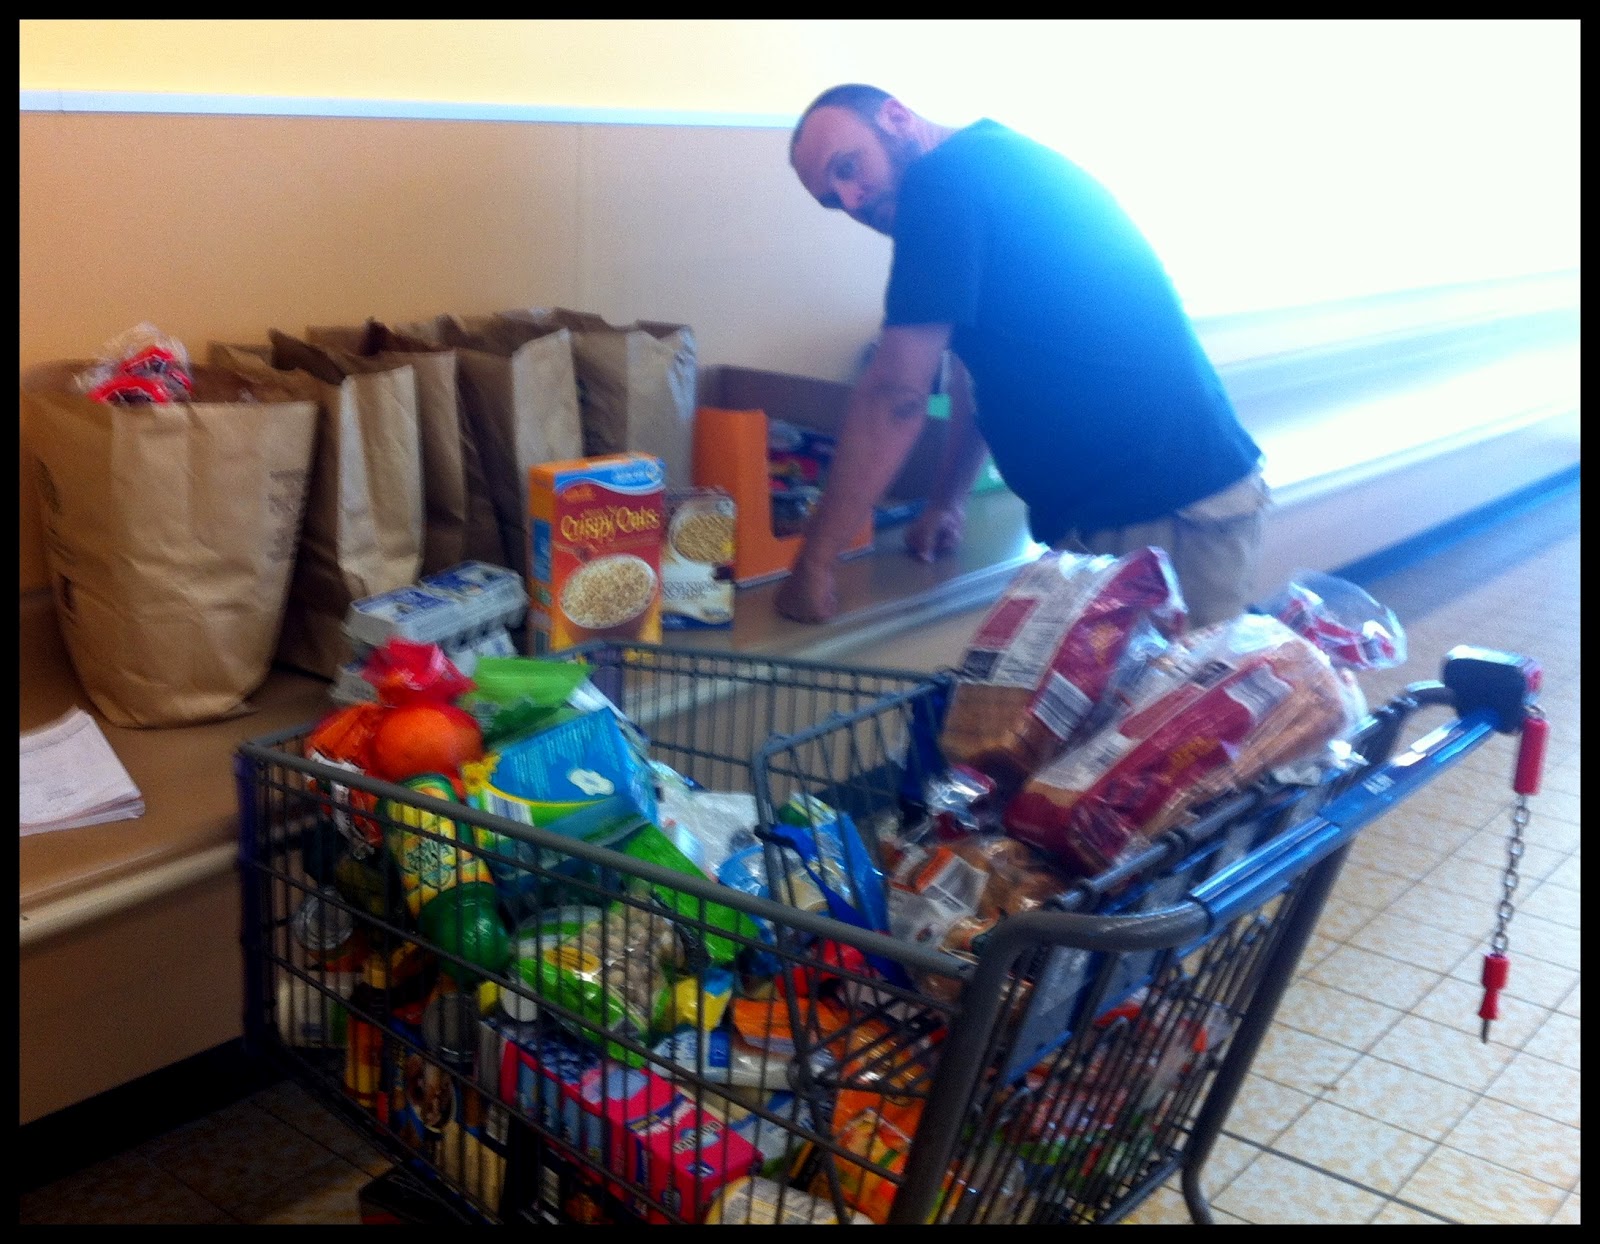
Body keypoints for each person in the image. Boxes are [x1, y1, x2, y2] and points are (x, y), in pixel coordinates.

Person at [775, 84, 1269, 630]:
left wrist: (814, 563)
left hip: (1162, 510)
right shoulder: (982, 164)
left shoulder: (941, 181)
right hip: (1139, 507)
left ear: (896, 117)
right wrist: (947, 501)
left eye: (848, 167)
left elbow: (895, 396)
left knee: (1174, 687)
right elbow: (974, 371)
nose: (851, 200)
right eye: (832, 199)